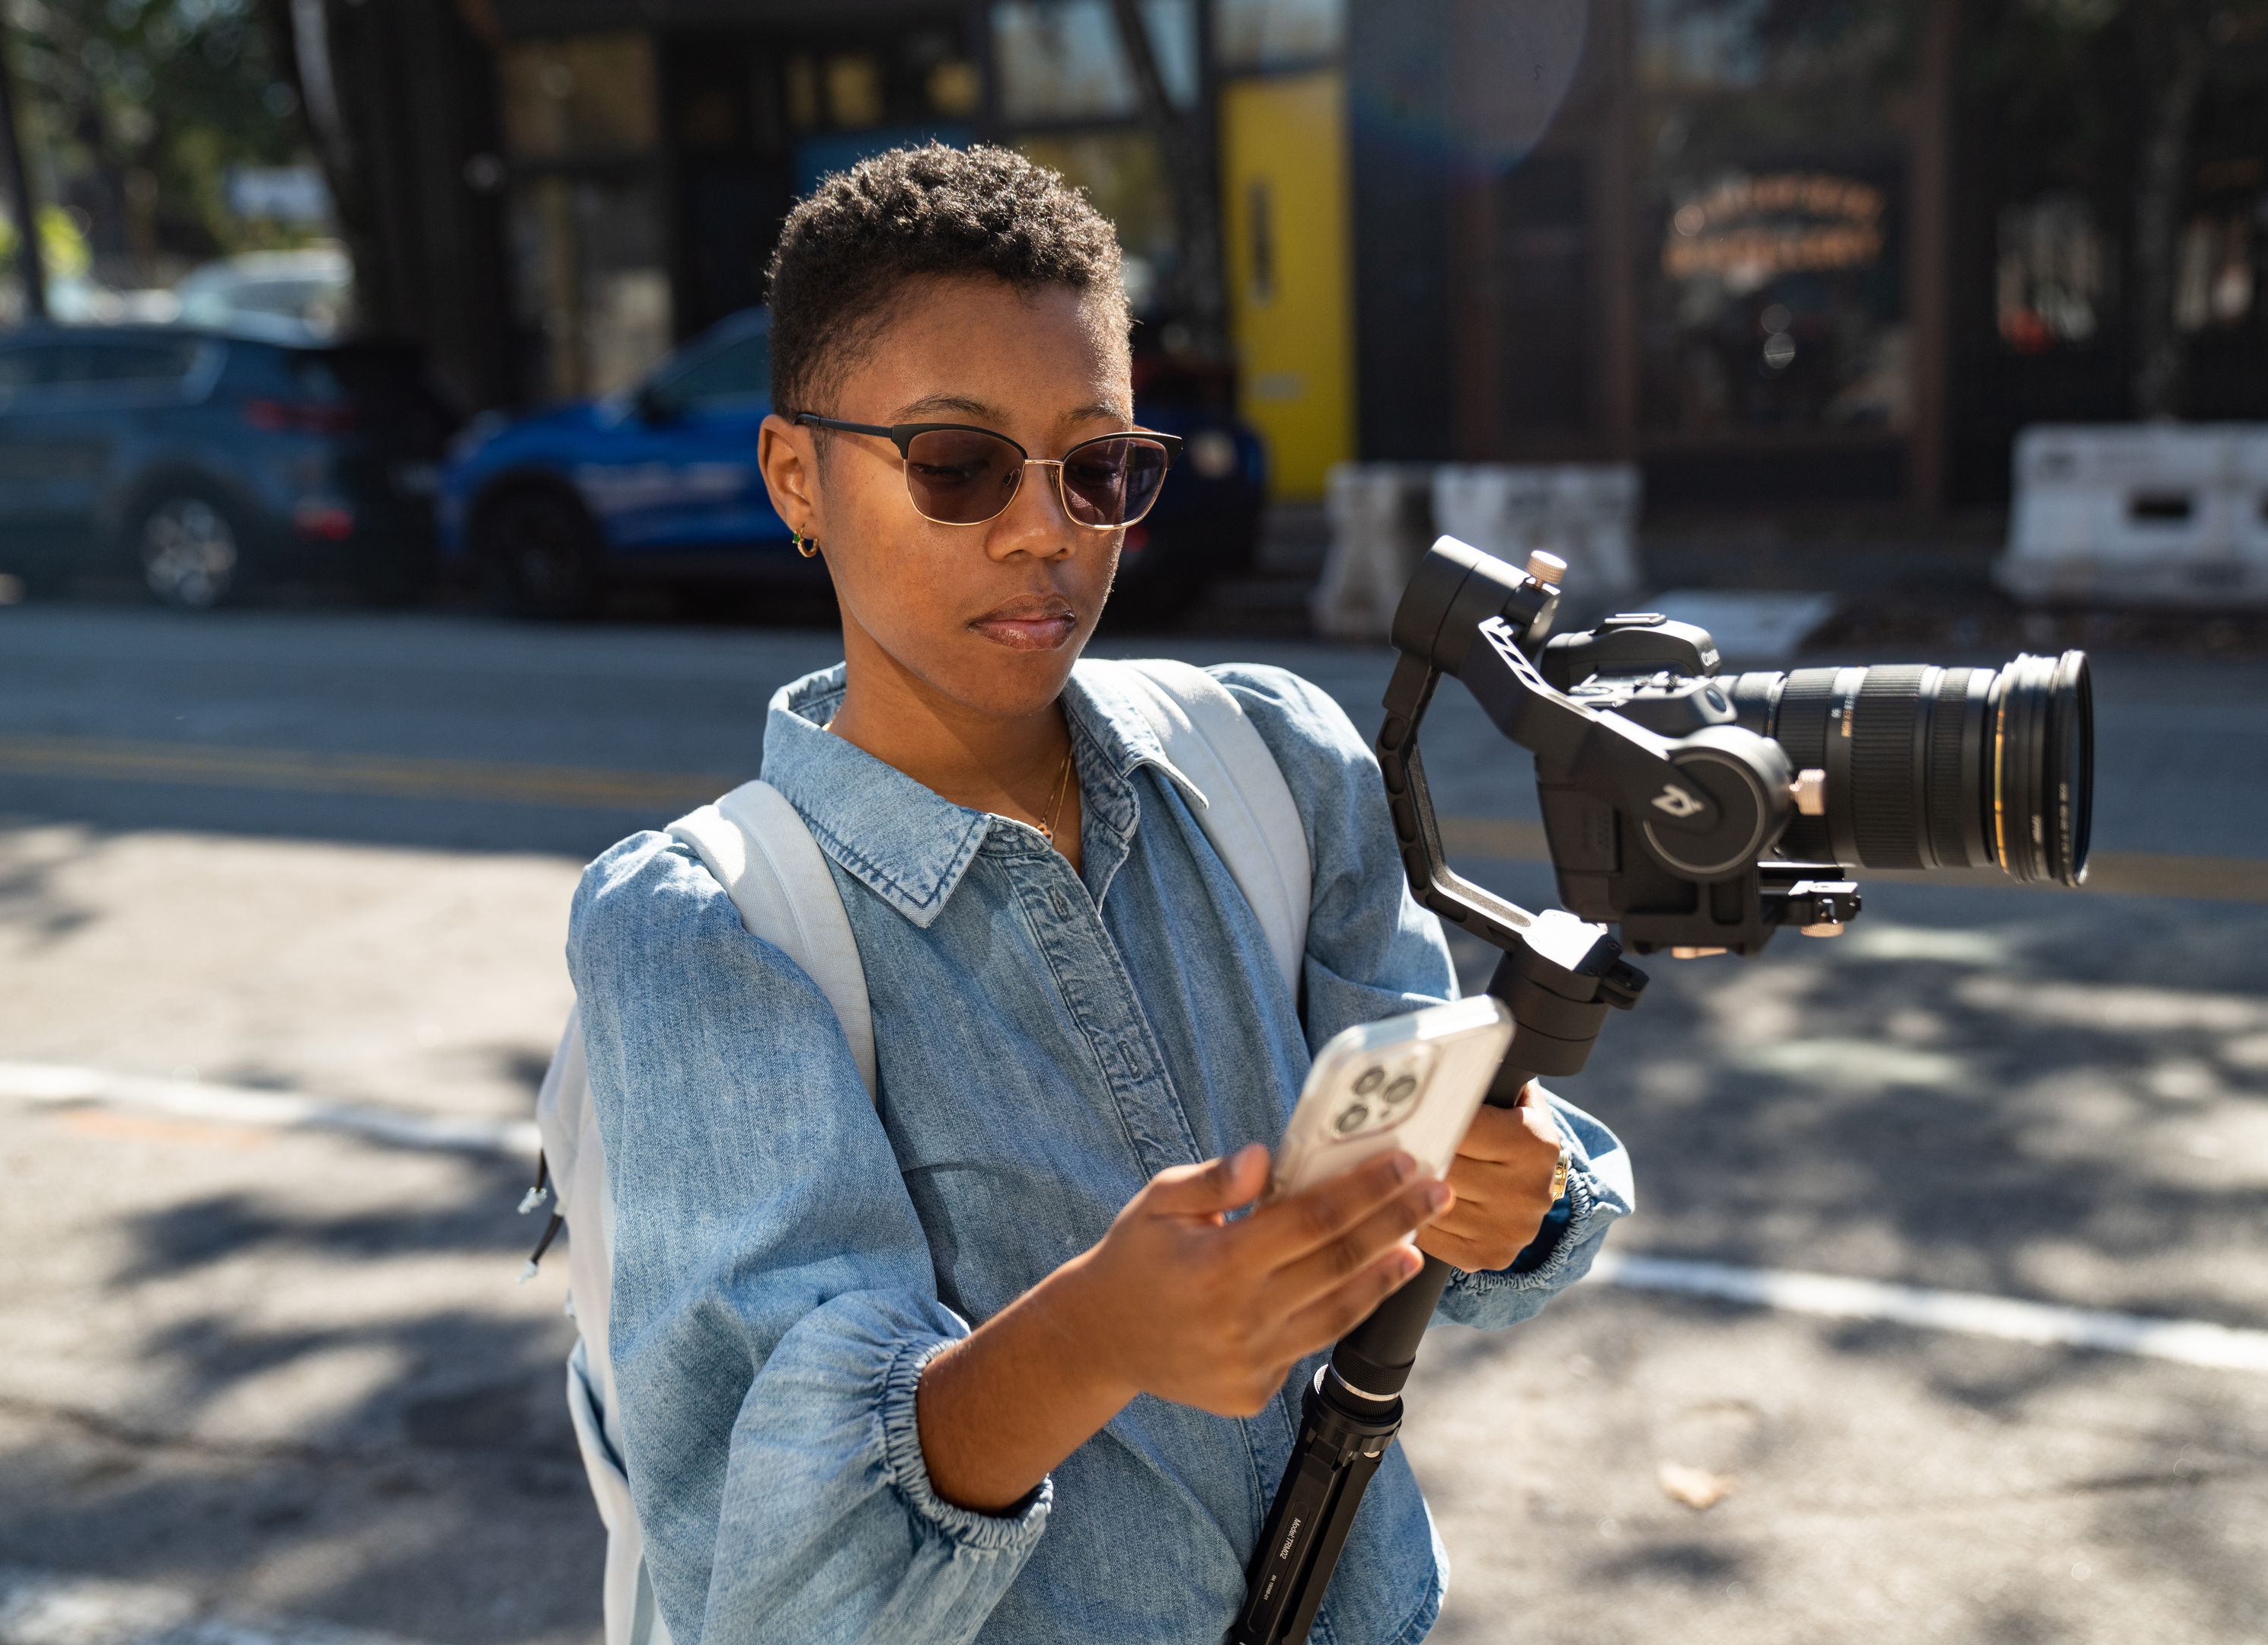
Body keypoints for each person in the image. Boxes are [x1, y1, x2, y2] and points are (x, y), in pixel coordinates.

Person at [567, 143, 1631, 1645]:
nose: (1046, 530)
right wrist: (1088, 1342)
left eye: (1101, 469)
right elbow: (773, 1571)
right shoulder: (706, 928)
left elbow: (1435, 1187)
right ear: (795, 475)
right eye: (957, 465)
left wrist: (1510, 1199)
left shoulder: (1276, 760)